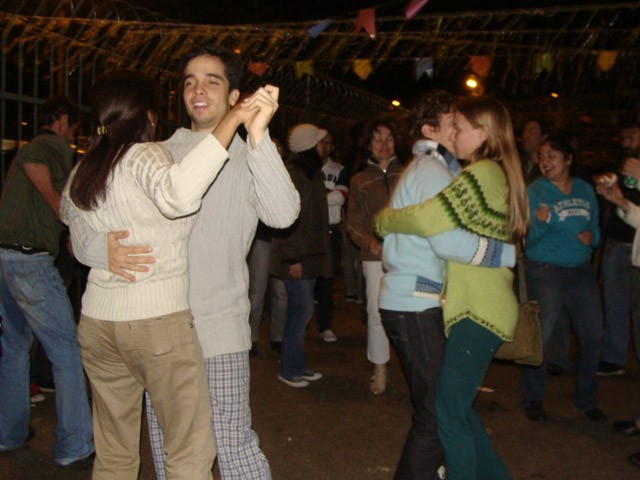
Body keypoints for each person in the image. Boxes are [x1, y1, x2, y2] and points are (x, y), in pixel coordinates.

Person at [67, 47, 298, 479]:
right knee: (170, 453)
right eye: (190, 80)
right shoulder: (156, 152)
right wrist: (101, 251)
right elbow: (83, 215)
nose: (198, 88)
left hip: (216, 327)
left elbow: (283, 215)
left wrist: (259, 137)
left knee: (232, 448)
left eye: (212, 79)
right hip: (159, 329)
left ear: (234, 98)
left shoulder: (250, 154)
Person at [376, 95, 529, 480]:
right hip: (475, 306)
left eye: (460, 128)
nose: (455, 134)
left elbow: (432, 223)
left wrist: (386, 219)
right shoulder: (482, 172)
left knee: (445, 414)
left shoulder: (480, 173)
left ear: (483, 132)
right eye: (452, 125)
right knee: (454, 410)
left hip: (479, 308)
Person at [0, 96, 95, 469]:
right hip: (28, 261)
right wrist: (61, 211)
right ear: (63, 120)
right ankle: (75, 443)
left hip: (4, 257)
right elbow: (34, 166)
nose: (74, 136)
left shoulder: (32, 146)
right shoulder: (49, 145)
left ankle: (9, 433)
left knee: (13, 350)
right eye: (74, 127)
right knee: (67, 350)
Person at [520, 134, 605, 422]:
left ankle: (585, 399)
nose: (544, 162)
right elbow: (528, 242)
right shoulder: (536, 192)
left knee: (593, 335)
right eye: (541, 156)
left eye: (551, 156)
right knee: (541, 337)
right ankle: (533, 397)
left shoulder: (584, 189)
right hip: (546, 269)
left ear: (568, 159)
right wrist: (541, 225)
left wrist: (592, 238)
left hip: (580, 270)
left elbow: (595, 228)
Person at [270, 123, 330, 388]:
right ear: (308, 147)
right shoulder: (295, 175)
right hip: (298, 257)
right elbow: (288, 220)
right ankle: (289, 368)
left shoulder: (309, 173)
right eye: (319, 142)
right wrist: (293, 258)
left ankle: (295, 363)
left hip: (308, 254)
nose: (324, 146)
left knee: (302, 312)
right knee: (300, 311)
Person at [346, 119, 403, 395]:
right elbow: (353, 221)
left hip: (408, 255)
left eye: (389, 138)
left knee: (409, 310)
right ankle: (380, 366)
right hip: (374, 256)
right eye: (378, 139)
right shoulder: (359, 179)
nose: (384, 144)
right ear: (368, 144)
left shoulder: (407, 173)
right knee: (376, 311)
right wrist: (367, 241)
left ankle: (413, 362)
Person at [598, 122, 640, 376]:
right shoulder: (623, 160)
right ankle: (614, 358)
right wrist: (617, 199)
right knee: (614, 304)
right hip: (619, 242)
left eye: (632, 135)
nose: (626, 140)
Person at [315, 130, 348, 343]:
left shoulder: (339, 170)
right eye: (320, 142)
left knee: (327, 280)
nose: (324, 146)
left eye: (328, 143)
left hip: (330, 230)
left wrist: (317, 196)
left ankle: (325, 325)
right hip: (310, 230)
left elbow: (341, 196)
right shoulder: (307, 169)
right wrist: (327, 195)